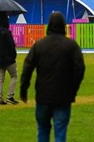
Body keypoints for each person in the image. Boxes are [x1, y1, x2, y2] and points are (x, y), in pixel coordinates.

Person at [20, 11, 85, 142]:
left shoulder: (39, 45)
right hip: (63, 96)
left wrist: (23, 89)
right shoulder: (71, 46)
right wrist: (73, 89)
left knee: (43, 130)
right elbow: (80, 69)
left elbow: (27, 67)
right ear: (63, 26)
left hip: (43, 95)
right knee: (60, 131)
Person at [0, 12, 19, 105]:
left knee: (0, 78)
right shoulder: (7, 32)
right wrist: (13, 56)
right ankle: (10, 96)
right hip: (9, 59)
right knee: (14, 76)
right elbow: (11, 46)